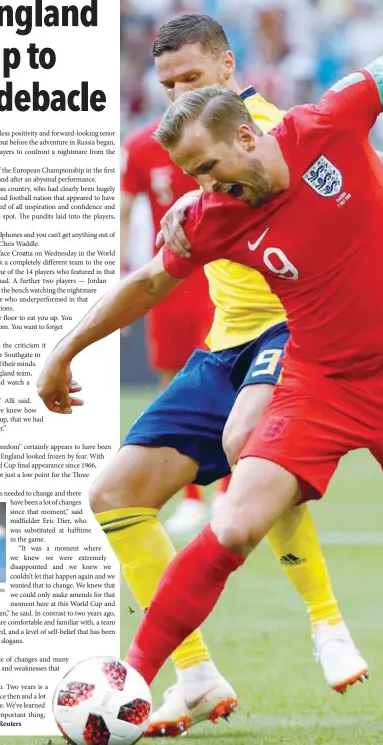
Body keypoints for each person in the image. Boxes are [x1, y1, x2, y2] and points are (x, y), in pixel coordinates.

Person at [38, 13, 383, 737]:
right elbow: (146, 284)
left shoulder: (327, 120)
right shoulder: (213, 214)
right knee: (234, 519)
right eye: (191, 178)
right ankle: (134, 678)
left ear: (246, 134)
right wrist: (63, 350)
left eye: (207, 170)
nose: (203, 189)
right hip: (318, 379)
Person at [122, 120, 228, 537]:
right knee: (172, 383)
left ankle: (229, 489)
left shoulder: (219, 127)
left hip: (218, 272)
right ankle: (189, 499)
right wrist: (122, 271)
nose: (178, 88)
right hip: (168, 275)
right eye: (170, 81)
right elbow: (125, 209)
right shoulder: (139, 145)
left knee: (227, 376)